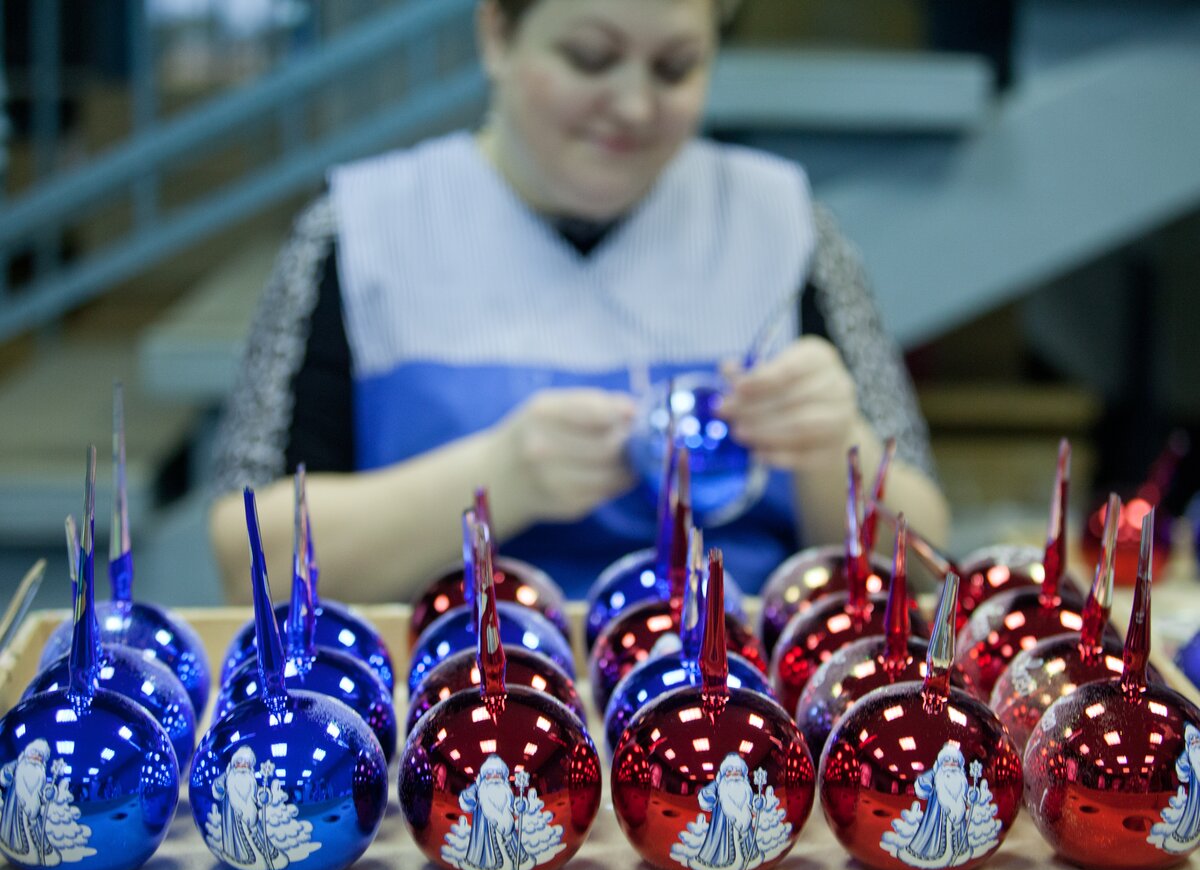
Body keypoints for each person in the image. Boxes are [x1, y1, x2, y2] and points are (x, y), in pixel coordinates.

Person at [209, 0, 949, 604]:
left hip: (735, 709)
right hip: (446, 701)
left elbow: (925, 563)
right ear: (496, 34)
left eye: (675, 68)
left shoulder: (784, 223)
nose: (632, 105)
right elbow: (250, 563)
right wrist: (497, 480)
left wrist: (834, 452)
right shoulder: (361, 230)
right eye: (589, 58)